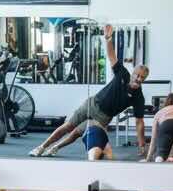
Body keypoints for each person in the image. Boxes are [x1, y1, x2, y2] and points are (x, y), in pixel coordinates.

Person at [30, 24, 147, 158]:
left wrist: (142, 144)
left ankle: (56, 147)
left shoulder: (138, 97)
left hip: (103, 118)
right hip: (92, 104)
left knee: (76, 133)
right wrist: (108, 40)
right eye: (137, 75)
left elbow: (139, 122)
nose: (138, 78)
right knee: (68, 126)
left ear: (144, 79)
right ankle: (42, 147)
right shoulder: (123, 74)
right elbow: (111, 56)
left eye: (142, 77)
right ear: (133, 73)